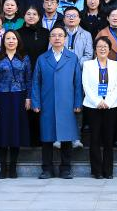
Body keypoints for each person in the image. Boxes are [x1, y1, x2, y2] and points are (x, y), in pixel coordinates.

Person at [31, 26, 83, 179]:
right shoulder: (42, 58)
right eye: (53, 35)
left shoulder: (72, 58)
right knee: (47, 137)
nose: (57, 38)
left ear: (65, 38)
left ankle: (65, 169)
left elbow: (77, 82)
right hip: (47, 101)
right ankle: (47, 169)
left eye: (60, 35)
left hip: (67, 102)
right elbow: (36, 82)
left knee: (67, 137)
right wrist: (36, 102)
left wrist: (77, 102)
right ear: (49, 39)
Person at [0, 30, 33, 179]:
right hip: (1, 96)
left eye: (13, 38)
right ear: (4, 41)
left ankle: (13, 168)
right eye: (8, 38)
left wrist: (28, 98)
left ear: (18, 41)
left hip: (19, 97)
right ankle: (3, 168)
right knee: (2, 131)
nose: (11, 41)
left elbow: (29, 79)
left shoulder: (24, 58)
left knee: (16, 131)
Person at [82, 37, 117, 179]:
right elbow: (86, 85)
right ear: (95, 49)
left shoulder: (116, 65)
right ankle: (97, 171)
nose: (102, 49)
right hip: (93, 106)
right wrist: (98, 101)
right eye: (99, 46)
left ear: (109, 49)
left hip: (112, 106)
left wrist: (108, 102)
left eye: (105, 46)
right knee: (94, 138)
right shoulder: (88, 65)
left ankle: (108, 170)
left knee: (108, 139)